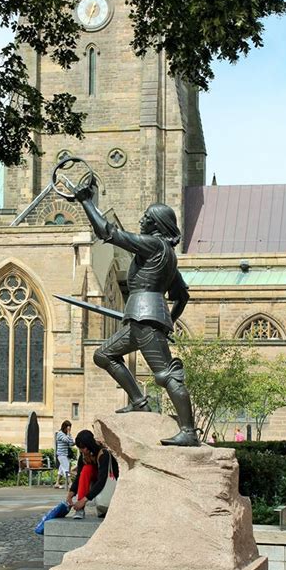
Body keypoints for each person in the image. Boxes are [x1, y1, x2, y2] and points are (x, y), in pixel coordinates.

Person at [74, 180, 199, 447]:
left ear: (157, 224)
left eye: (147, 217)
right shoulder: (167, 256)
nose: (142, 220)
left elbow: (108, 233)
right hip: (142, 320)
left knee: (165, 374)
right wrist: (169, 321)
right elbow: (182, 295)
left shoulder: (153, 246)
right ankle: (139, 401)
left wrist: (86, 202)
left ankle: (188, 431)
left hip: (145, 319)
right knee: (103, 355)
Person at [66, 429, 119, 519]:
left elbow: (102, 480)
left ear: (90, 445)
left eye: (83, 447)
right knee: (86, 469)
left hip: (108, 481)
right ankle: (80, 509)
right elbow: (79, 476)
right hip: (94, 480)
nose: (82, 450)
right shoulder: (83, 456)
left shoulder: (103, 454)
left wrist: (85, 499)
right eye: (80, 448)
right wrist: (71, 493)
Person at [54, 420, 74, 489]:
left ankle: (57, 483)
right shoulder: (60, 434)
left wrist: (69, 434)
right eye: (68, 428)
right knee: (66, 468)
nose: (69, 430)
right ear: (64, 427)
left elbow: (71, 443)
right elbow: (66, 440)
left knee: (61, 469)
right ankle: (70, 483)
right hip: (61, 454)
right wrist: (68, 433)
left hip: (66, 454)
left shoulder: (67, 434)